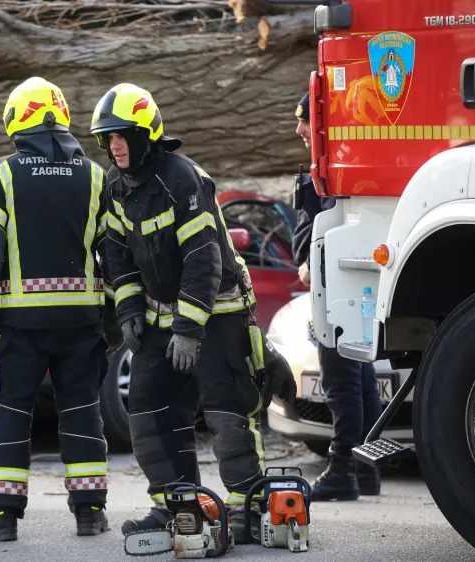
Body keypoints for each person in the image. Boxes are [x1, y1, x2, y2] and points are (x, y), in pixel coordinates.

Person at [89, 83, 296, 545]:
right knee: (147, 410)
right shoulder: (115, 185)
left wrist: (189, 329)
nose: (113, 145)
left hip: (217, 312)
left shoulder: (185, 179)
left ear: (147, 135)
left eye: (121, 135)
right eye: (106, 138)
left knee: (227, 410)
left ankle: (247, 506)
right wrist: (127, 313)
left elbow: (204, 259)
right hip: (159, 318)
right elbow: (115, 254)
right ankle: (175, 506)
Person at [0, 76, 113, 541]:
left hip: (20, 322)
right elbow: (115, 248)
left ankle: (1, 517)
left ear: (16, 120)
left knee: (9, 411)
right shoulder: (94, 174)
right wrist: (115, 314)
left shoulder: (2, 174)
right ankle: (90, 512)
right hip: (82, 320)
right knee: (83, 410)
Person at [292, 91, 383, 501]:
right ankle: (364, 470)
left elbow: (323, 236)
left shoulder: (338, 172)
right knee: (361, 377)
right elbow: (305, 236)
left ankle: (342, 471)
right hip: (355, 286)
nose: (299, 131)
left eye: (305, 122)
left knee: (342, 382)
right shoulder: (332, 171)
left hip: (339, 288)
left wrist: (312, 263)